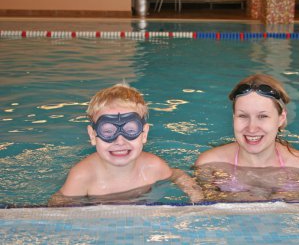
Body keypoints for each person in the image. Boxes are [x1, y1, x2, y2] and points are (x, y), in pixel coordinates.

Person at [49, 83, 203, 206]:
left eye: (130, 130)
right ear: (93, 135)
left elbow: (177, 175)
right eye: (108, 131)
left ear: (144, 134)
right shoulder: (83, 176)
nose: (120, 141)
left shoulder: (153, 167)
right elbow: (58, 205)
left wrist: (196, 197)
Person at [195, 74, 299, 202]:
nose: (251, 128)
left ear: (281, 118)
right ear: (234, 118)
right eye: (243, 116)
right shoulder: (209, 165)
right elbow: (199, 205)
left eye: (263, 116)